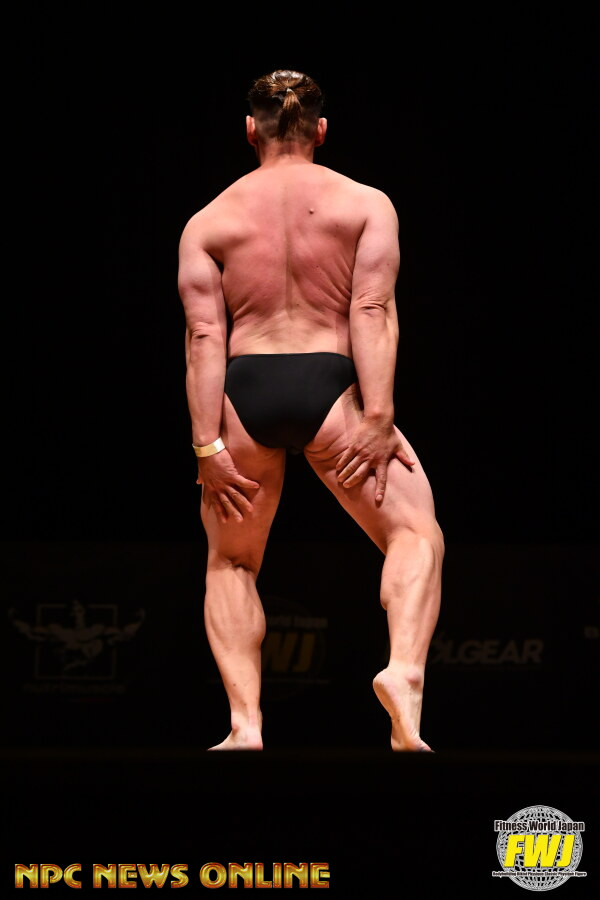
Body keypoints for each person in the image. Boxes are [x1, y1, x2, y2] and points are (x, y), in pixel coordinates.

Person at [178, 69, 444, 752]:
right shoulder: (365, 204)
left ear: (250, 130)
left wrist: (207, 447)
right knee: (415, 535)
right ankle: (403, 674)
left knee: (231, 562)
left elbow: (204, 338)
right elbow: (371, 309)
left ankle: (245, 726)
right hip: (333, 388)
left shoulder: (208, 220)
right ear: (321, 130)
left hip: (244, 394)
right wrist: (378, 417)